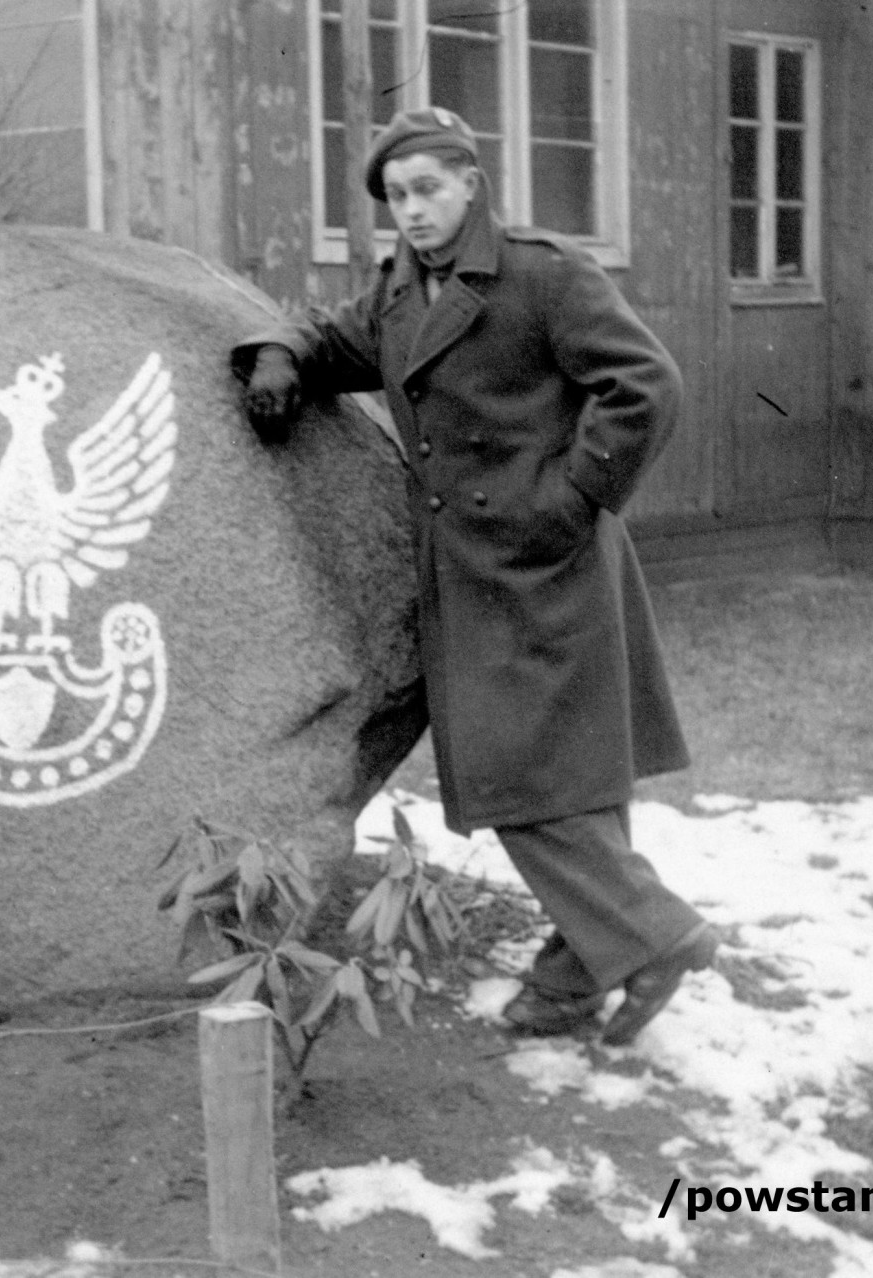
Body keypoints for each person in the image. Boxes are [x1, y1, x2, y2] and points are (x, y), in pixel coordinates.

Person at [230, 107, 716, 1045]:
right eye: (396, 197)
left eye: (428, 189)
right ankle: (574, 978)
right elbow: (336, 340)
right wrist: (281, 358)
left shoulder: (542, 275)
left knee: (523, 775)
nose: (412, 211)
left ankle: (658, 937)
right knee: (566, 773)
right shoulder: (402, 291)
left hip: (550, 561)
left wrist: (570, 500)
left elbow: (645, 384)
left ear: (470, 185)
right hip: (478, 573)